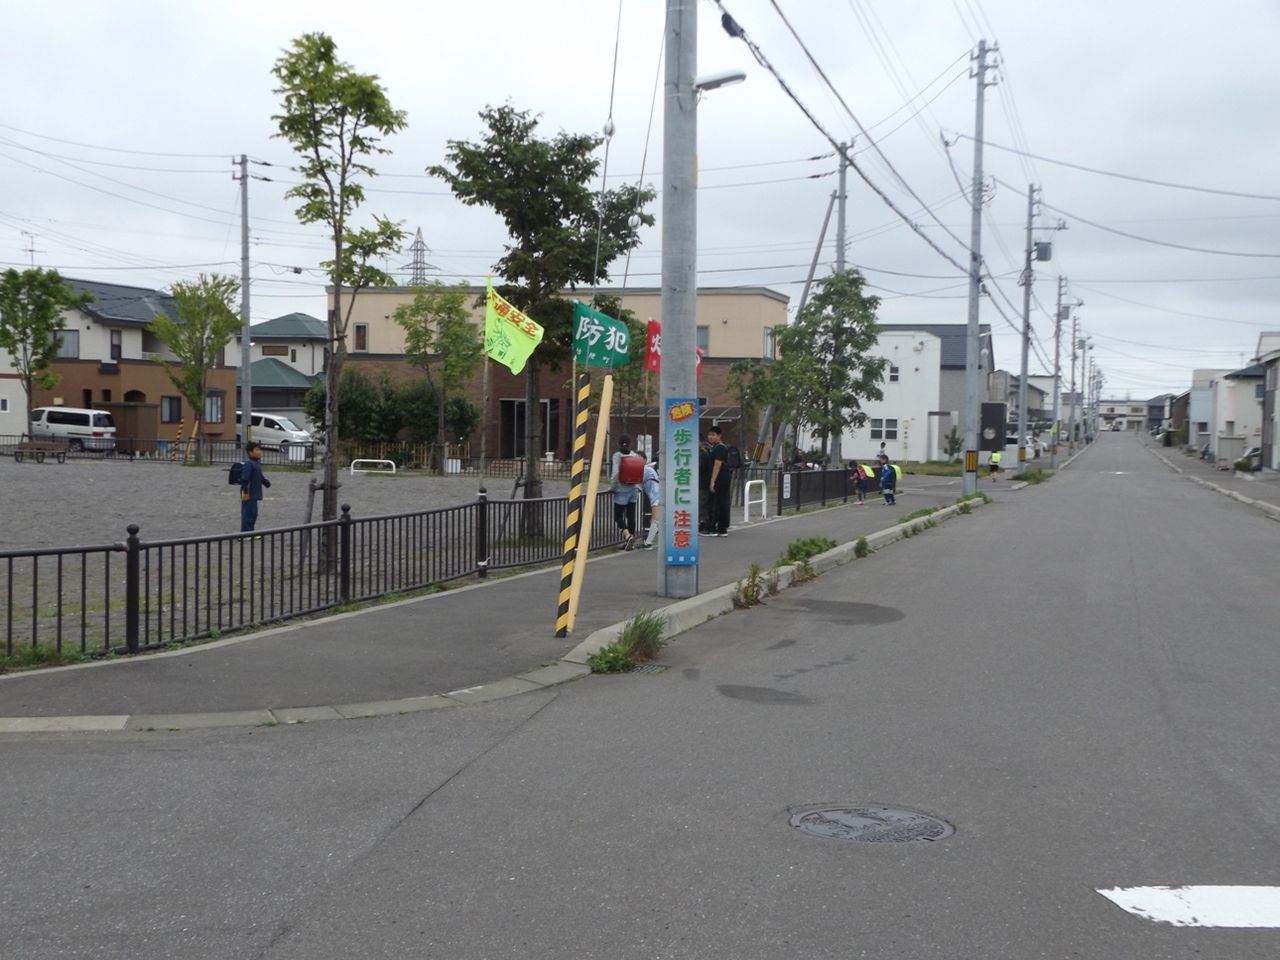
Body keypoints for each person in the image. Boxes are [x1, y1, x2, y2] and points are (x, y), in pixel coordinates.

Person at [610, 434, 642, 550]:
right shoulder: (635, 455)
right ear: (631, 444)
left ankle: (628, 536)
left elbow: (615, 474)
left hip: (621, 490)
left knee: (618, 516)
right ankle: (630, 541)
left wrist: (613, 488)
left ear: (618, 444)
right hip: (633, 489)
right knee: (631, 516)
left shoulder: (617, 456)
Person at [239, 441, 272, 532]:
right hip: (249, 493)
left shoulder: (256, 463)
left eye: (260, 450)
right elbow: (245, 479)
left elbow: (259, 476)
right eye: (257, 450)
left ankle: (251, 531)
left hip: (254, 493)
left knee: (253, 514)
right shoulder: (248, 464)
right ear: (250, 452)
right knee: (248, 514)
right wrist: (245, 492)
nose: (260, 452)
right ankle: (245, 534)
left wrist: (266, 482)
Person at [706, 424, 732, 536]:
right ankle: (717, 526)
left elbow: (717, 465)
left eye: (713, 435)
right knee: (717, 502)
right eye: (709, 435)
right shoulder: (715, 447)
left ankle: (721, 528)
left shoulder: (720, 448)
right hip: (720, 478)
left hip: (721, 478)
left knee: (720, 502)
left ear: (719, 436)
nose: (711, 437)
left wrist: (712, 482)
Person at [641, 454, 660, 550]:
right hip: (657, 494)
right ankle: (648, 542)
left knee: (655, 519)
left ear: (645, 460)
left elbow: (635, 482)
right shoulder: (648, 468)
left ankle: (648, 543)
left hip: (656, 495)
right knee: (657, 519)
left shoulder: (645, 469)